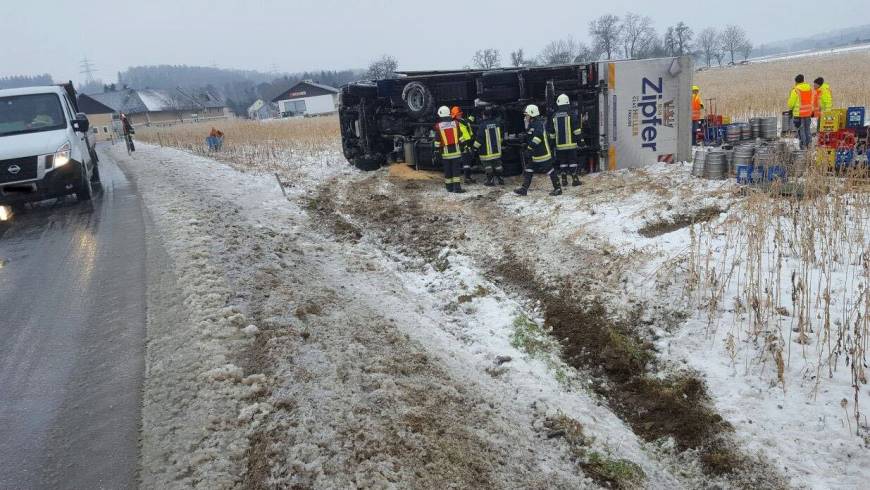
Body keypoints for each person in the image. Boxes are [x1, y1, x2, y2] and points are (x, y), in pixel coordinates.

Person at [514, 104, 561, 196]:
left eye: (526, 115)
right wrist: (525, 141)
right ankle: (524, 189)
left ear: (532, 114)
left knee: (550, 170)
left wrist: (529, 148)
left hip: (542, 153)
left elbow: (538, 138)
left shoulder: (538, 123)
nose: (525, 116)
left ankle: (558, 189)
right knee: (529, 169)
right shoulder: (532, 124)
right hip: (535, 154)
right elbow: (530, 136)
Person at [550, 93, 583, 187]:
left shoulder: (554, 116)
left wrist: (552, 143)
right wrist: (580, 140)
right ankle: (575, 180)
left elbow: (552, 132)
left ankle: (564, 180)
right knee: (572, 161)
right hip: (571, 144)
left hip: (559, 146)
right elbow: (576, 130)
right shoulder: (571, 114)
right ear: (568, 102)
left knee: (562, 162)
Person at [433, 105, 466, 193]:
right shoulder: (456, 124)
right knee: (456, 171)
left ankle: (449, 188)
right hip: (456, 152)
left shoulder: (438, 126)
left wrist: (436, 151)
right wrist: (464, 146)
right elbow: (461, 137)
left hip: (445, 153)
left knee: (448, 171)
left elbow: (437, 141)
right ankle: (457, 188)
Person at [472, 106, 505, 186]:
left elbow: (480, 139)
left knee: (488, 166)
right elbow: (501, 136)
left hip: (486, 151)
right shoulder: (497, 124)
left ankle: (490, 181)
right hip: (496, 150)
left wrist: (474, 148)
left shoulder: (482, 126)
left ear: (484, 115)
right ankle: (501, 179)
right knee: (498, 165)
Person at [450, 106, 476, 184]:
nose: (460, 115)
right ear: (455, 115)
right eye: (459, 114)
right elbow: (459, 136)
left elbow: (470, 120)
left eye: (460, 113)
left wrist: (475, 109)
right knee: (466, 162)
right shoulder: (455, 123)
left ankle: (468, 177)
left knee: (469, 161)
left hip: (469, 142)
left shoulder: (463, 120)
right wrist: (465, 146)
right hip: (463, 144)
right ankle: (467, 178)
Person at [788, 75, 814, 149]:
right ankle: (809, 147)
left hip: (799, 114)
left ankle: (803, 148)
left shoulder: (795, 90)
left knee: (801, 131)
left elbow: (791, 104)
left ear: (796, 82)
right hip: (808, 113)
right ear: (803, 80)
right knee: (807, 130)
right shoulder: (809, 89)